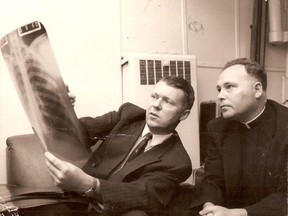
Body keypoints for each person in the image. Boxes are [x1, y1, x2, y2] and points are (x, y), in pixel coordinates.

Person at [43, 76, 195, 216]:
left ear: (184, 114)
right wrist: (60, 108)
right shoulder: (129, 115)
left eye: (167, 102)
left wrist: (89, 183)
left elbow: (141, 193)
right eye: (154, 97)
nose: (156, 105)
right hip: (77, 202)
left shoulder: (178, 161)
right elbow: (78, 135)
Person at [185, 58, 287, 216]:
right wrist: (209, 206)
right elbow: (212, 180)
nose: (220, 96)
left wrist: (238, 213)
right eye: (219, 89)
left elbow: (285, 197)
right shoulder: (217, 127)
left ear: (257, 90)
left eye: (229, 87)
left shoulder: (284, 124)